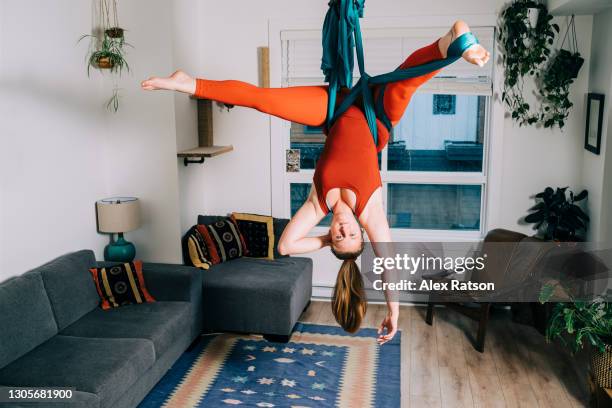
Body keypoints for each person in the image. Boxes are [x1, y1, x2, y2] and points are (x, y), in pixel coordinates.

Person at [141, 20, 490, 345]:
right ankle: (452, 42)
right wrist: (394, 312)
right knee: (406, 83)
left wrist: (324, 240)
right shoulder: (371, 211)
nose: (344, 231)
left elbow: (286, 247)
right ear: (361, 230)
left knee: (263, 101)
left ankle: (189, 83)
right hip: (376, 117)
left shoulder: (317, 204)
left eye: (340, 236)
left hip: (334, 109)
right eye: (352, 235)